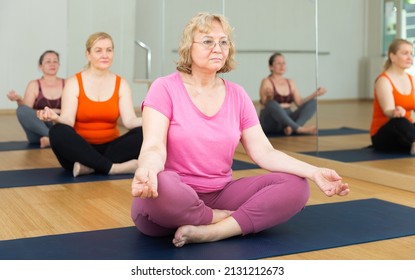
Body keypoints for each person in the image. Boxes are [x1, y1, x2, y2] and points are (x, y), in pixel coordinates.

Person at [130, 12, 349, 248]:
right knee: (161, 185)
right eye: (207, 41)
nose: (218, 48)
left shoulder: (237, 95)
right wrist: (148, 169)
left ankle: (216, 231)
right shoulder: (164, 88)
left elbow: (264, 152)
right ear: (188, 48)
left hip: (220, 194)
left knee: (297, 185)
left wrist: (314, 171)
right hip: (172, 199)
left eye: (223, 42)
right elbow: (153, 146)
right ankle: (215, 218)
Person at [37, 32, 143, 177]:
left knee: (144, 131)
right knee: (57, 131)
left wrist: (155, 118)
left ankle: (90, 167)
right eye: (98, 50)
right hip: (79, 150)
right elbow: (68, 120)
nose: (104, 55)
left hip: (111, 149)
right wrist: (56, 117)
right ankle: (113, 168)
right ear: (88, 54)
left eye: (109, 50)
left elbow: (130, 121)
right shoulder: (74, 83)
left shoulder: (121, 84)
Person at [258, 52, 326, 136]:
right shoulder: (266, 81)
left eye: (283, 63)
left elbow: (299, 102)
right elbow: (265, 103)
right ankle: (298, 129)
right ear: (271, 67)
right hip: (272, 122)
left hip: (287, 120)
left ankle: (291, 128)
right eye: (278, 63)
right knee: (271, 103)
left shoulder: (290, 82)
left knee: (313, 103)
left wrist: (315, 94)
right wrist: (269, 97)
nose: (282, 66)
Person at [7, 50, 64, 148]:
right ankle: (55, 138)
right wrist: (19, 99)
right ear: (40, 66)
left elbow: (72, 110)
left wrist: (53, 112)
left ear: (59, 65)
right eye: (48, 61)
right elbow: (27, 112)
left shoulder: (67, 83)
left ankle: (51, 140)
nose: (52, 64)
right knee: (21, 109)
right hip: (38, 133)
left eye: (55, 61)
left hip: (59, 126)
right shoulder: (34, 84)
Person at [370, 38, 415, 154]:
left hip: (407, 132)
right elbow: (388, 111)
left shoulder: (412, 80)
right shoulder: (383, 80)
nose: (410, 57)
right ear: (392, 56)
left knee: (404, 122)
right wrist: (396, 111)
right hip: (384, 134)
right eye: (405, 53)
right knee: (399, 120)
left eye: (411, 53)